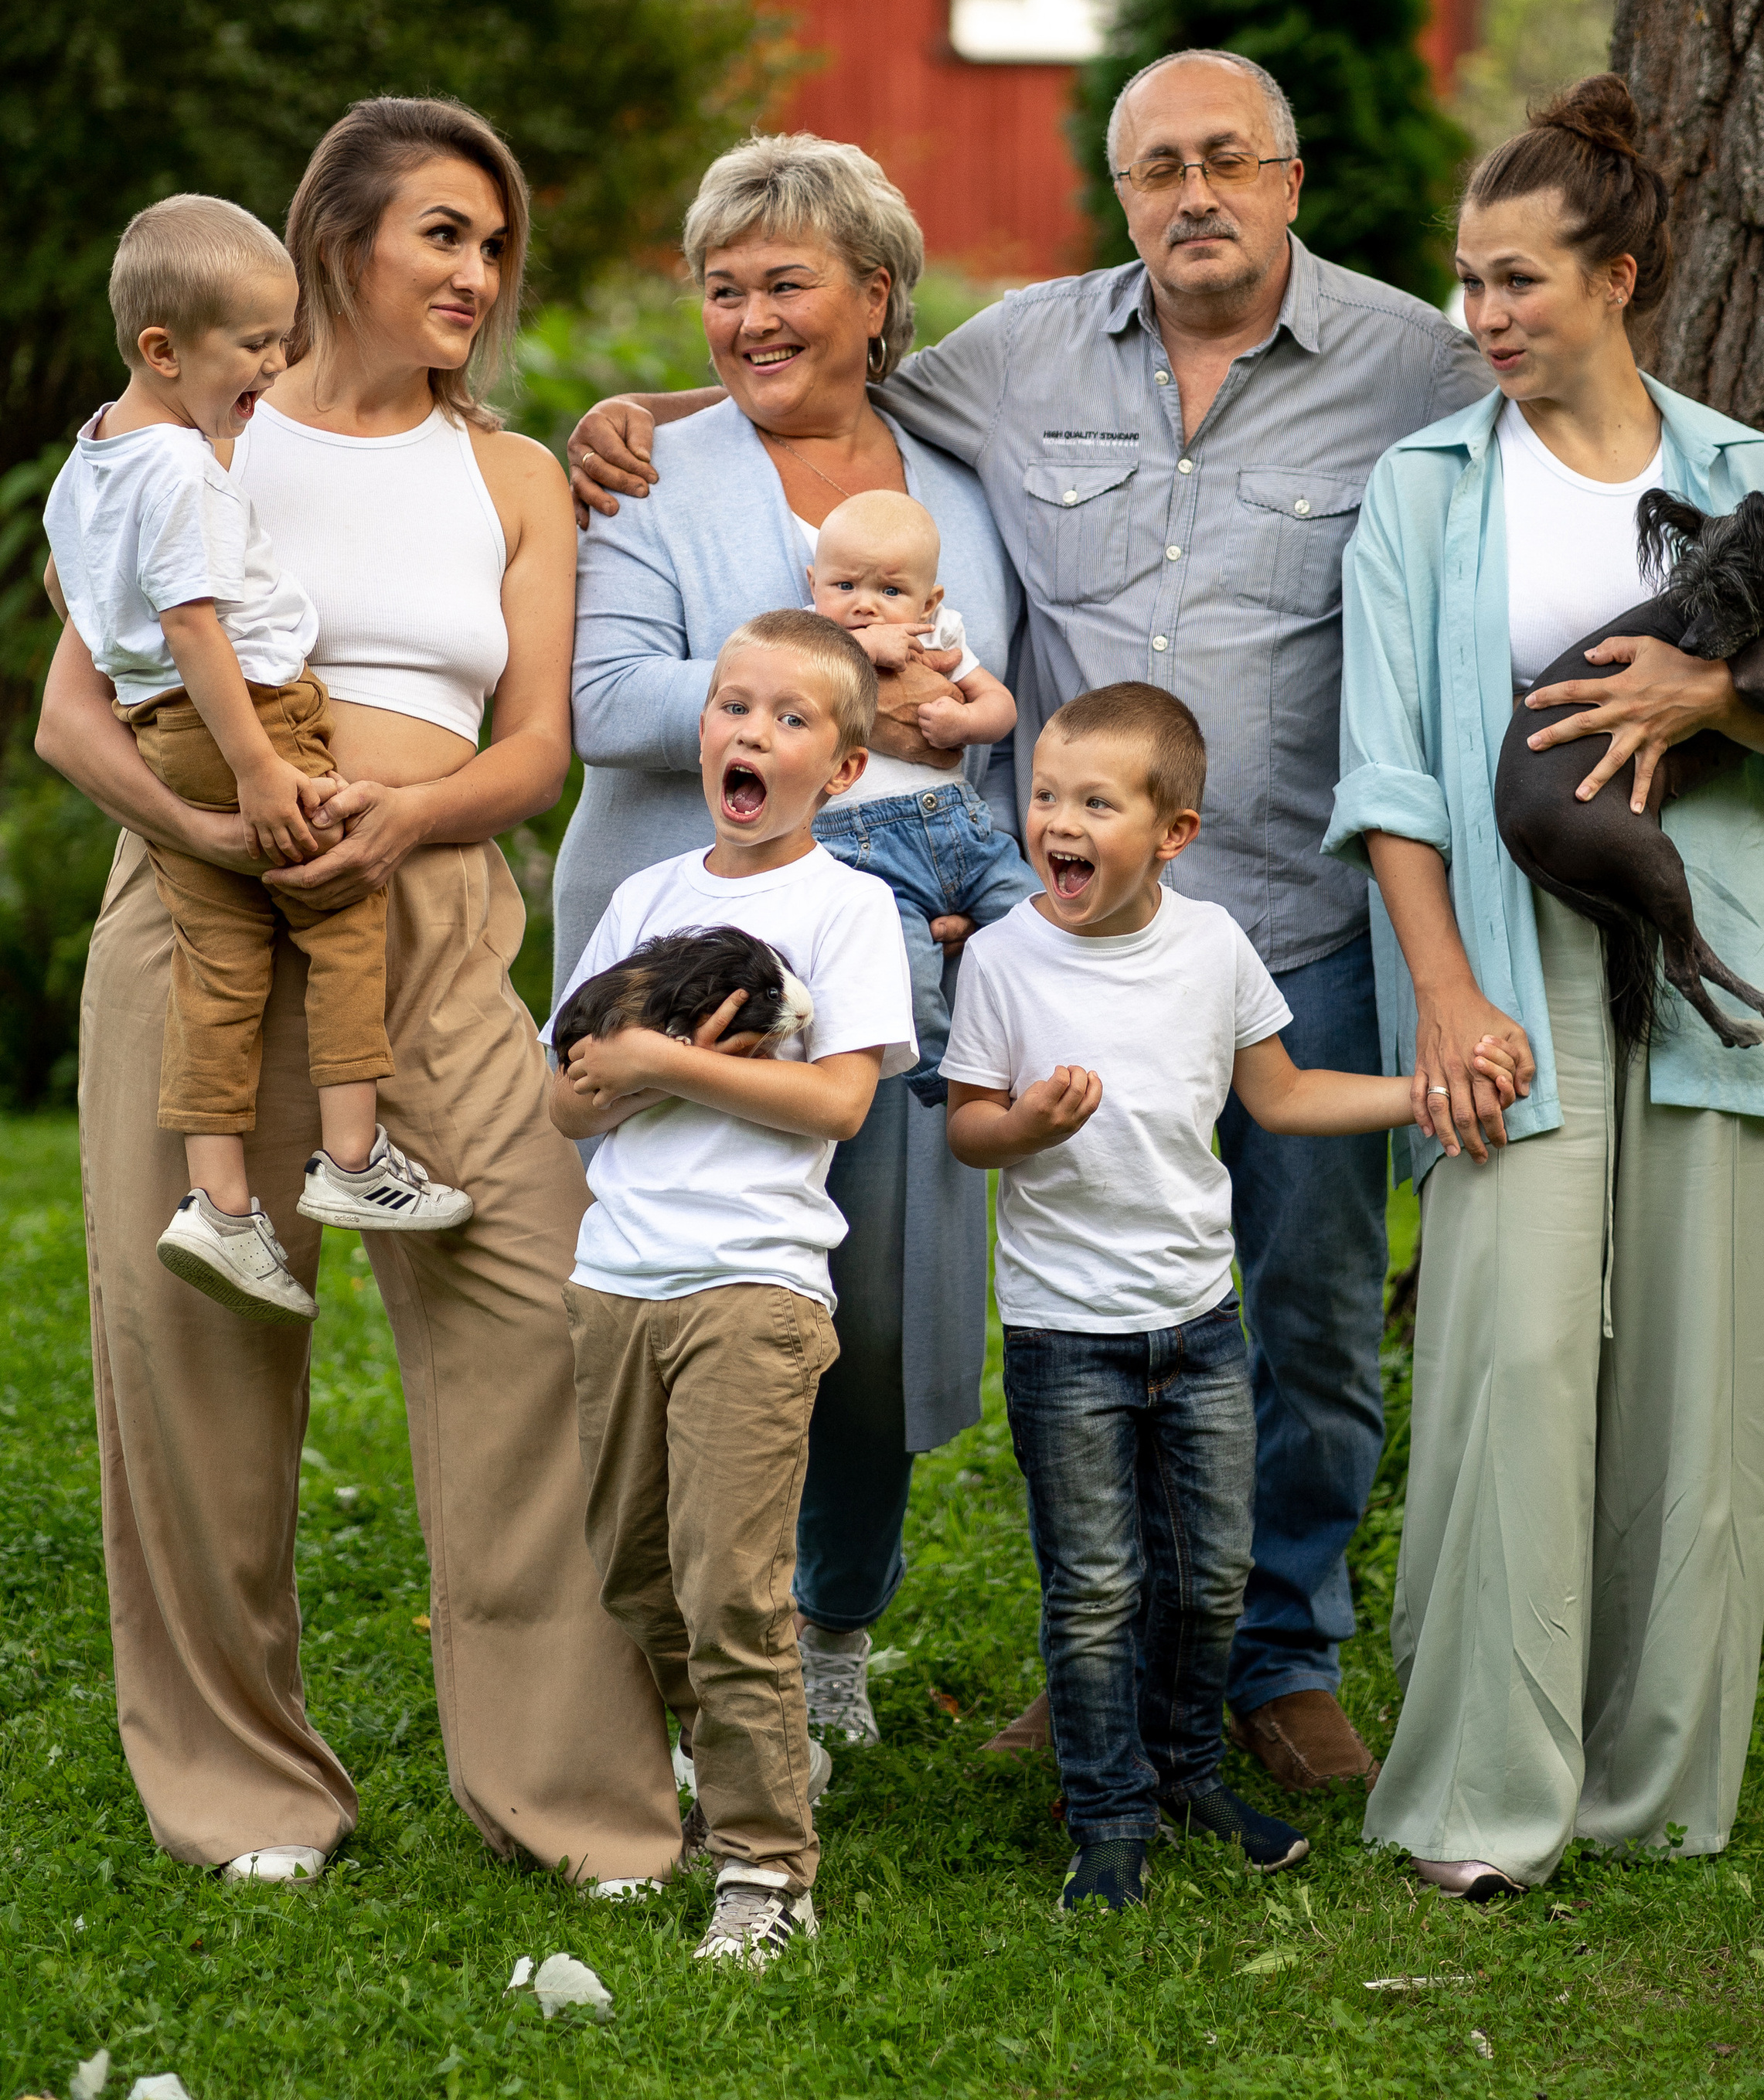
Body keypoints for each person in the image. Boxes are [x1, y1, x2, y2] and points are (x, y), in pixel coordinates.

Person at [568, 50, 1493, 1792]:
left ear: (1292, 178)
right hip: (1065, 946)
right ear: (1118, 190)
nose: (1191, 195)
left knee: (1298, 1316)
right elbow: (787, 386)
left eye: (1227, 161)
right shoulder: (1017, 360)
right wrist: (618, 414)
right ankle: (1106, 1645)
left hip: (1291, 923)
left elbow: (1554, 477)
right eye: (1155, 168)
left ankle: (1276, 1662)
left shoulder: (1411, 364)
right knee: (1079, 1320)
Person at [36, 97, 681, 1887]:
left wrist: (396, 815)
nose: (478, 271)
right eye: (443, 235)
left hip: (437, 924)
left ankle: (571, 1787)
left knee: (537, 1308)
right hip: (198, 918)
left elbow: (537, 745)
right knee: (196, 1347)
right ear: (335, 236)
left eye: (495, 242)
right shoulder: (191, 445)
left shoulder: (515, 476)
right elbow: (73, 713)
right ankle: (242, 1788)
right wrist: (212, 823)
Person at [1323, 76, 1764, 1896]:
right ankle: (1481, 1801)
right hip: (1498, 951)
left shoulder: (1747, 478)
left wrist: (1712, 697)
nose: (1483, 316)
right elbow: (1390, 775)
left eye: (1515, 279)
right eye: (1462, 284)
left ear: (1615, 276)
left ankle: (1652, 1791)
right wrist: (1436, 996)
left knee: (1691, 1372)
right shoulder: (1425, 490)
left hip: (1712, 942)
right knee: (1505, 1354)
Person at [551, 133, 1023, 1750]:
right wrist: (814, 701)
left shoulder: (952, 487)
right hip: (690, 953)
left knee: (875, 1319)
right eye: (720, 288)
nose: (747, 317)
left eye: (785, 282)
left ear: (875, 297)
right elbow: (603, 703)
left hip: (896, 960)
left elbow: (985, 697)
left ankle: (829, 1628)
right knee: (693, 1299)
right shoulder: (646, 480)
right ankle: (675, 1663)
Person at [945, 682, 1516, 1911]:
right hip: (1066, 1337)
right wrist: (1021, 1123)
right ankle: (1105, 1814)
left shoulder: (1213, 948)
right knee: (1096, 1586)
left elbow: (1285, 1098)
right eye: (1046, 796)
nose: (1058, 820)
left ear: (1174, 834)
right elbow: (967, 1131)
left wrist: (1425, 1098)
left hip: (1200, 1328)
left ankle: (1187, 1772)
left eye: (1096, 802)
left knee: (1209, 1578)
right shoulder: (1001, 958)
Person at [549, 609, 916, 1968]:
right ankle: (743, 1754)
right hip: (616, 1282)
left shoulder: (846, 906)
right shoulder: (644, 899)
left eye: (790, 718)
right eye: (731, 707)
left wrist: (664, 1061)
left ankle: (764, 1869)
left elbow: (838, 1095)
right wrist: (620, 1066)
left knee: (733, 1584)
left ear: (847, 768)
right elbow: (565, 1102)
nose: (749, 732)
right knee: (639, 1574)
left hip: (754, 1288)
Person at [43, 196, 470, 1325]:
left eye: (284, 341)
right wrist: (262, 770)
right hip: (240, 713)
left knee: (220, 968)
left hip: (156, 729)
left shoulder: (93, 458)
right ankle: (351, 1156)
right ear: (162, 350)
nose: (276, 367)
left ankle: (221, 1205)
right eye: (254, 347)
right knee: (339, 920)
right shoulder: (180, 468)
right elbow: (193, 624)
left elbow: (86, 602)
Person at [803, 487, 1035, 1107]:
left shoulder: (942, 633)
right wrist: (858, 651)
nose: (866, 607)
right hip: (865, 856)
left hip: (963, 832)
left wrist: (965, 726)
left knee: (1037, 922)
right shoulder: (806, 642)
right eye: (844, 587)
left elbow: (1000, 706)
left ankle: (1061, 1037)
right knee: (905, 972)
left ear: (929, 601)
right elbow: (792, 699)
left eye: (890, 592)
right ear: (813, 583)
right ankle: (944, 1078)